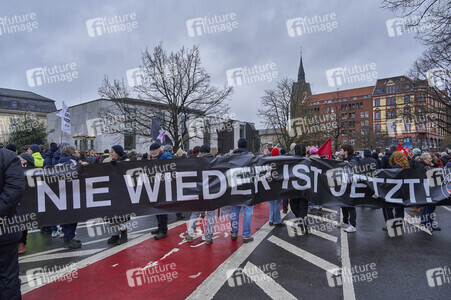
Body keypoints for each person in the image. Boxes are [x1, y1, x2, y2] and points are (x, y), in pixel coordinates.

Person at [0, 147, 25, 299]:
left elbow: (14, 190)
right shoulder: (8, 157)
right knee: (8, 277)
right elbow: (14, 191)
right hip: (5, 228)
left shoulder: (7, 157)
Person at [185, 145, 217, 244]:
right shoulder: (215, 161)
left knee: (195, 213)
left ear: (200, 152)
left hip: (198, 191)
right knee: (211, 215)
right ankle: (208, 237)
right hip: (211, 191)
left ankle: (190, 234)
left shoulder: (195, 162)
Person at [56, 146, 83, 249]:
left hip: (61, 192)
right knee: (73, 216)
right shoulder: (72, 162)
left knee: (66, 215)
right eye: (76, 151)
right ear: (72, 153)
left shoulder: (59, 162)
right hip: (71, 192)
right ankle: (69, 238)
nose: (78, 152)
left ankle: (68, 236)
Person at [230, 139, 255, 243]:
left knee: (235, 210)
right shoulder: (251, 157)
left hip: (235, 186)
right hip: (248, 186)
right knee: (248, 211)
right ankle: (246, 235)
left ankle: (234, 232)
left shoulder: (231, 157)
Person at [105, 145, 131, 245]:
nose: (111, 153)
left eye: (113, 152)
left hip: (123, 193)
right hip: (112, 192)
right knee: (112, 215)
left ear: (118, 153)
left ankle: (124, 234)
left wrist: (119, 166)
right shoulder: (111, 162)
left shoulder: (126, 162)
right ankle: (115, 234)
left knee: (122, 216)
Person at [148, 143, 171, 239]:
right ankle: (160, 227)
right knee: (156, 209)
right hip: (155, 186)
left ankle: (163, 230)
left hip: (163, 186)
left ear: (158, 150)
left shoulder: (165, 158)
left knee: (162, 209)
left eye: (154, 150)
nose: (152, 152)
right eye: (151, 150)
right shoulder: (153, 159)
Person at [334, 144, 358, 233]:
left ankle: (353, 225)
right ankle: (345, 222)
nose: (339, 152)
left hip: (351, 186)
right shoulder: (343, 160)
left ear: (346, 151)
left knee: (350, 205)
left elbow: (355, 168)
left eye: (341, 150)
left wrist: (349, 164)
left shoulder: (353, 159)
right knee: (343, 204)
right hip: (343, 185)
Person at [382, 151, 408, 231]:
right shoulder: (407, 168)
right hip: (403, 191)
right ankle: (398, 224)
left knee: (387, 208)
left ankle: (390, 225)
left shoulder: (395, 168)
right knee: (400, 208)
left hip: (393, 191)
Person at [289, 144, 310, 235]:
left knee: (295, 207)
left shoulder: (291, 161)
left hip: (293, 189)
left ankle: (301, 224)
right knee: (302, 207)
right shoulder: (309, 161)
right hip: (305, 189)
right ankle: (302, 222)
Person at [417, 153, 441, 232]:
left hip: (427, 188)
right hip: (427, 188)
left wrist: (432, 166)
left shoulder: (424, 165)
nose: (431, 159)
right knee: (430, 206)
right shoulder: (422, 166)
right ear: (424, 159)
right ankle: (429, 224)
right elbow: (428, 175)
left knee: (426, 206)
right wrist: (431, 167)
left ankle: (424, 221)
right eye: (429, 158)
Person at [268, 148, 285, 226]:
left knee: (272, 203)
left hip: (270, 185)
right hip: (278, 185)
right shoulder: (280, 162)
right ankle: (277, 220)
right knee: (277, 203)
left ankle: (271, 219)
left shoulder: (268, 162)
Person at [308, 147, 323, 215]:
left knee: (312, 193)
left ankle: (312, 207)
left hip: (311, 178)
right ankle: (320, 207)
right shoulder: (320, 159)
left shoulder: (309, 159)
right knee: (319, 193)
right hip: (319, 178)